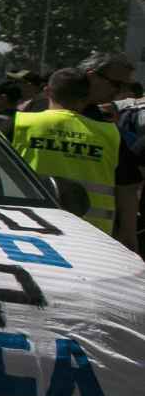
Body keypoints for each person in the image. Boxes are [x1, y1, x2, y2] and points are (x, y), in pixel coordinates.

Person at [12, 68, 127, 245]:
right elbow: (127, 188)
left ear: (47, 92)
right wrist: (128, 232)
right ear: (87, 97)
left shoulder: (21, 123)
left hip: (26, 223)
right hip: (92, 235)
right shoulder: (111, 133)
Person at [79, 52, 141, 251]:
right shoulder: (33, 116)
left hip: (93, 239)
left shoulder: (107, 126)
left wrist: (128, 236)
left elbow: (127, 186)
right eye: (117, 84)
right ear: (91, 76)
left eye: (126, 87)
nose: (121, 92)